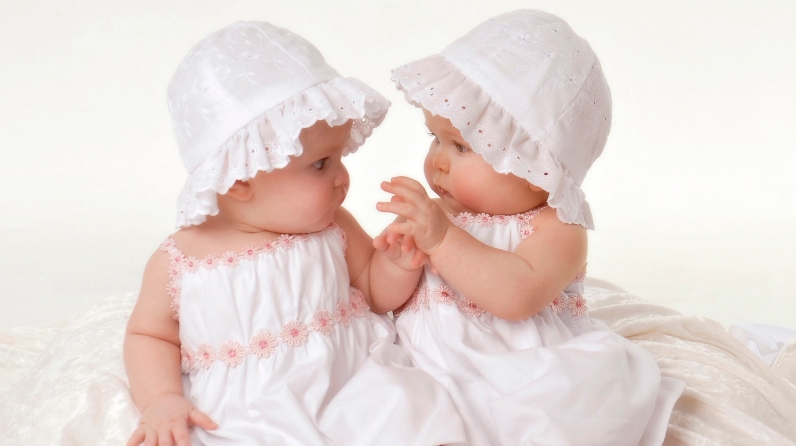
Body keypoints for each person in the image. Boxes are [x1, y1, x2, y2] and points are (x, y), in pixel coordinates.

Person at [123, 21, 465, 446]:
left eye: (339, 158)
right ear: (238, 178)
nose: (342, 177)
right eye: (320, 164)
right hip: (250, 408)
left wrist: (397, 266)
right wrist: (161, 399)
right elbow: (149, 335)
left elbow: (374, 292)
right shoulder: (182, 260)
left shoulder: (333, 227)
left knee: (408, 414)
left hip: (355, 380)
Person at [374, 10, 685, 445]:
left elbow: (516, 297)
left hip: (516, 370)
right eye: (435, 138)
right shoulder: (435, 214)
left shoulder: (556, 227)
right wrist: (395, 264)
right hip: (425, 364)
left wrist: (443, 240)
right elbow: (380, 299)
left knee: (557, 413)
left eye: (461, 146)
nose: (437, 161)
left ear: (536, 165)